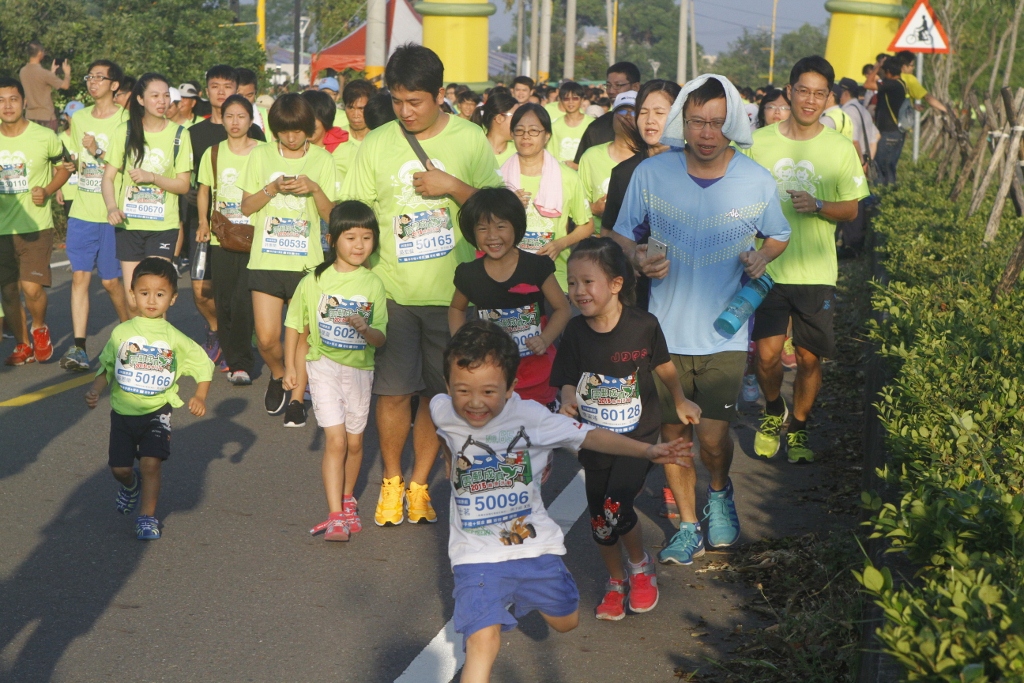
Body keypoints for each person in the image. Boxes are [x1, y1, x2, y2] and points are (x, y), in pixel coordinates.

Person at [431, 319, 695, 682]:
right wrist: (448, 452)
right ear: (447, 386)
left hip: (536, 551)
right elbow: (441, 425)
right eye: (463, 391)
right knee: (481, 641)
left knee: (566, 622)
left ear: (511, 387)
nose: (474, 402)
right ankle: (498, 604)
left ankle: (535, 594)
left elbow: (592, 438)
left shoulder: (533, 418)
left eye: (489, 392)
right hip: (476, 557)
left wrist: (649, 449)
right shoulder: (443, 409)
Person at [612, 74, 791, 565]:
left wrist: (762, 258)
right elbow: (622, 234)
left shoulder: (755, 179)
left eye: (716, 123)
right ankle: (688, 525)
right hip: (662, 333)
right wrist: (638, 256)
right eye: (697, 123)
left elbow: (778, 234)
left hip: (724, 335)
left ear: (730, 124)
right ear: (682, 124)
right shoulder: (653, 175)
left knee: (712, 439)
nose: (707, 133)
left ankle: (718, 491)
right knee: (673, 438)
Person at [340, 43, 503, 527]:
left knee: (438, 395)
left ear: (439, 96)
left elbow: (497, 210)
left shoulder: (470, 139)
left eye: (416, 101)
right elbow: (359, 215)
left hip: (454, 296)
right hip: (393, 292)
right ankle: (391, 482)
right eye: (397, 101)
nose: (406, 112)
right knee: (392, 394)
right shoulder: (376, 143)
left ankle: (419, 484)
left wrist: (453, 187)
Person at [552, 238, 701, 619]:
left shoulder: (643, 326)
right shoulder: (574, 333)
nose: (578, 291)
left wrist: (680, 399)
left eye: (588, 282)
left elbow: (663, 365)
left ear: (616, 284)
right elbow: (566, 378)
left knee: (617, 506)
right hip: (595, 437)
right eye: (572, 283)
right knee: (599, 520)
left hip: (638, 435)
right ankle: (615, 581)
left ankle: (639, 565)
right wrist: (569, 399)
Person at [744, 56, 867, 463]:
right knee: (766, 356)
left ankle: (797, 425)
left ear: (828, 98)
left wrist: (818, 205)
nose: (810, 100)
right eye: (803, 91)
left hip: (816, 269)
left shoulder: (837, 147)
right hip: (767, 267)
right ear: (789, 91)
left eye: (819, 93)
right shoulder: (758, 142)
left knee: (811, 358)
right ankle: (773, 408)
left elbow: (850, 209)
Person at [84, 257, 214, 540]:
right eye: (144, 293)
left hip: (158, 411)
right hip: (123, 412)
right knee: (120, 468)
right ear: (132, 295)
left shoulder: (174, 337)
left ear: (173, 298)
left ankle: (147, 517)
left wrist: (200, 396)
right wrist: (96, 389)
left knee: (151, 463)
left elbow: (204, 365)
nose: (152, 300)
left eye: (160, 294)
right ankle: (130, 486)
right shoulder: (121, 333)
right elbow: (107, 367)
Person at [284, 201, 388, 541]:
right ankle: (335, 515)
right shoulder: (314, 279)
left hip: (360, 370)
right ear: (332, 240)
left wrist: (364, 330)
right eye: (350, 237)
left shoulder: (374, 284)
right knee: (336, 440)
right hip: (323, 366)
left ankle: (347, 499)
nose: (359, 245)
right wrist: (290, 367)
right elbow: (295, 326)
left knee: (356, 444)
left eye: (367, 238)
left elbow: (380, 338)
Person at [240, 93, 337, 426]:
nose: (291, 137)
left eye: (297, 130)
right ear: (275, 129)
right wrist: (270, 189)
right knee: (267, 338)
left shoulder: (323, 159)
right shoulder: (260, 155)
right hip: (266, 259)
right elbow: (245, 207)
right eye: (284, 130)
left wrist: (313, 188)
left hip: (306, 263)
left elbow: (331, 214)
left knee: (302, 339)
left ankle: (297, 401)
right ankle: (280, 375)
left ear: (308, 128)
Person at [449, 187, 570, 408]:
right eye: (482, 228)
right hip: (492, 372)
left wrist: (545, 339)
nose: (492, 236)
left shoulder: (536, 266)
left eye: (501, 226)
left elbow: (562, 308)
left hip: (537, 370)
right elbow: (456, 309)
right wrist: (463, 345)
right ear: (472, 232)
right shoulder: (469, 274)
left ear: (516, 226)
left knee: (537, 433)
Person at [186, 65, 267, 365]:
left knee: (243, 295)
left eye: (227, 86)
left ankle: (238, 352)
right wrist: (199, 221)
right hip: (211, 229)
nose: (221, 91)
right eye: (215, 86)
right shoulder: (199, 137)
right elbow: (195, 184)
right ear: (206, 91)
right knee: (206, 292)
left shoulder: (258, 140)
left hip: (250, 230)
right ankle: (218, 333)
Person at [60, 60, 131, 371]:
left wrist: (99, 151)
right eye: (90, 77)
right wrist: (64, 177)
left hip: (114, 212)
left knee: (113, 282)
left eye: (100, 78)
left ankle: (131, 337)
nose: (93, 83)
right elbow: (77, 160)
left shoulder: (128, 120)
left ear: (114, 85)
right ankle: (79, 349)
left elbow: (127, 168)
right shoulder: (79, 118)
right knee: (79, 277)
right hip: (83, 210)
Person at [102, 73, 192, 318]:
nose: (162, 101)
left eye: (165, 96)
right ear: (140, 99)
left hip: (163, 226)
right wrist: (111, 207)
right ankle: (136, 351)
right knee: (135, 301)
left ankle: (157, 354)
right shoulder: (126, 131)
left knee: (155, 298)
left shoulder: (179, 135)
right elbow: (108, 177)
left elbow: (183, 185)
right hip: (129, 224)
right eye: (155, 96)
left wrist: (153, 177)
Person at [0, 76, 71, 366]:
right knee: (7, 290)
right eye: (1, 100)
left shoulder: (45, 136)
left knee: (30, 288)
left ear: (24, 102)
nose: (7, 106)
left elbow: (65, 167)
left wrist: (49, 190)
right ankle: (21, 344)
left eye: (13, 99)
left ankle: (39, 327)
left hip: (36, 226)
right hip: (2, 229)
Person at [196, 94, 261, 386]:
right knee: (223, 301)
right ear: (221, 118)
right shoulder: (213, 152)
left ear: (251, 120)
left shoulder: (263, 151)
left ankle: (241, 362)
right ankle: (231, 353)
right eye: (230, 116)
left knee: (244, 301)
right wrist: (202, 224)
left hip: (254, 234)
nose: (235, 122)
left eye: (241, 116)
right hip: (221, 236)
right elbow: (204, 191)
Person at [501, 103, 594, 293]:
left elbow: (587, 225)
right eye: (519, 131)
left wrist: (561, 244)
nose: (526, 136)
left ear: (547, 136)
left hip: (554, 277)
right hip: (506, 277)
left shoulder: (567, 177)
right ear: (512, 135)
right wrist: (507, 207)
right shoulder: (497, 177)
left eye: (534, 131)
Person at [578, 101, 635, 232]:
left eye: (633, 112)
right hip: (598, 238)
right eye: (621, 111)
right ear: (612, 117)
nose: (627, 116)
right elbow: (577, 204)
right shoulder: (591, 156)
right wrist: (592, 208)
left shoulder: (647, 159)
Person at [838, 78, 879, 254]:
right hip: (863, 162)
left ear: (845, 93)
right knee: (859, 203)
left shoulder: (847, 112)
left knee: (849, 205)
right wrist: (867, 161)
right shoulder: (863, 110)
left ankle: (850, 246)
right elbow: (876, 137)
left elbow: (854, 141)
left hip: (853, 163)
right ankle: (856, 245)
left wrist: (859, 163)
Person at [572, 62, 641, 165]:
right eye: (608, 85)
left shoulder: (648, 126)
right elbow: (581, 165)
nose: (611, 91)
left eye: (618, 85)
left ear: (635, 87)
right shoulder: (596, 128)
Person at [19, 41, 70, 131]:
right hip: (46, 117)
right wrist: (67, 73)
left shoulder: (22, 71)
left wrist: (51, 73)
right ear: (39, 53)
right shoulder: (44, 73)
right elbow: (65, 86)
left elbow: (37, 83)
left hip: (30, 116)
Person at [333, 79, 376, 186]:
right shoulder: (335, 137)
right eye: (351, 108)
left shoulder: (380, 139)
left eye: (361, 109)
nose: (355, 114)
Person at [874, 57, 908, 186]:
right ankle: (891, 196)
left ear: (888, 71)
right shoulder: (901, 84)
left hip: (888, 132)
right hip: (897, 131)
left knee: (880, 165)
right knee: (890, 166)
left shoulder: (891, 85)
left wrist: (877, 66)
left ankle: (881, 197)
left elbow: (867, 84)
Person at [546, 81, 593, 169]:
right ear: (560, 100)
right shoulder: (555, 126)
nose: (571, 102)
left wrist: (578, 166)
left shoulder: (591, 125)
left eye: (575, 98)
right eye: (566, 99)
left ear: (582, 99)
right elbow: (550, 155)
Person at [476, 89, 519, 167]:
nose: (520, 121)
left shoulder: (520, 151)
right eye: (516, 116)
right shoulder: (474, 150)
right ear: (499, 118)